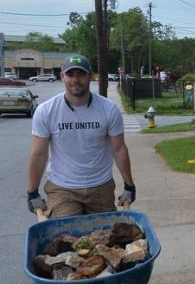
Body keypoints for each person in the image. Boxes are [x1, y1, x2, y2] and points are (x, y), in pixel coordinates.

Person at [26, 55, 136, 217]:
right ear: (62, 76)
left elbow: (119, 149)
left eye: (81, 74)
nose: (75, 80)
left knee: (104, 238)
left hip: (101, 186)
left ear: (90, 76)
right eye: (70, 75)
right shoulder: (46, 111)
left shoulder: (109, 109)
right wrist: (32, 191)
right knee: (65, 236)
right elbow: (39, 154)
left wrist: (129, 185)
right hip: (62, 188)